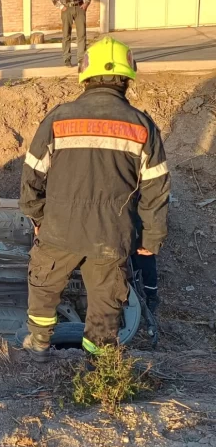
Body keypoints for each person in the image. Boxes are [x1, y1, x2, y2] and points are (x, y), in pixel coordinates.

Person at [19, 36, 170, 362]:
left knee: (44, 288)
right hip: (111, 237)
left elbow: (32, 174)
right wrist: (150, 237)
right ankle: (98, 366)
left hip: (59, 231)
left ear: (85, 78)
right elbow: (156, 189)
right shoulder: (143, 127)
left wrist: (38, 218)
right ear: (127, 79)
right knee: (105, 299)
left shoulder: (58, 119)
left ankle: (38, 348)